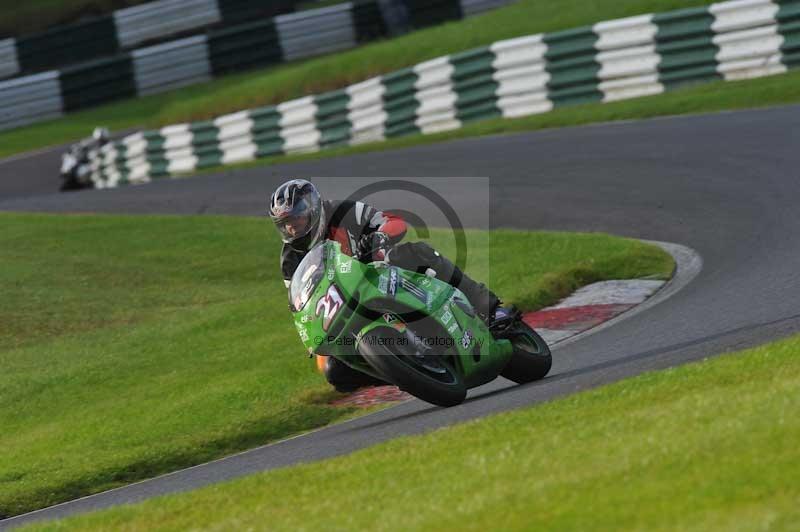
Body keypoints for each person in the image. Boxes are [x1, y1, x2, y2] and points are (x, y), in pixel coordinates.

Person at [269, 179, 506, 391]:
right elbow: (300, 303)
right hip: (344, 305)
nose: (292, 227)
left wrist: (379, 237)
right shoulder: (290, 259)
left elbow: (394, 222)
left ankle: (491, 309)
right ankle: (404, 371)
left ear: (312, 208)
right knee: (332, 369)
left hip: (379, 273)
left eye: (296, 218)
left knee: (417, 253)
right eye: (285, 223)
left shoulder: (342, 211)